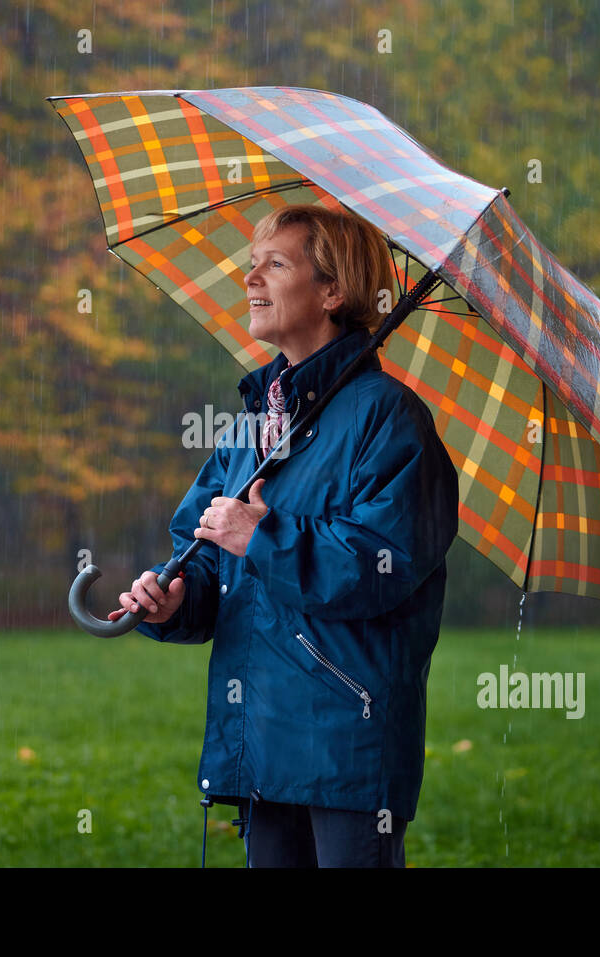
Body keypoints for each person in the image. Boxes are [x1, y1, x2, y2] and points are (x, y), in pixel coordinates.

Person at [109, 203, 460, 867]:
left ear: (332, 292)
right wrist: (177, 599)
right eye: (250, 265)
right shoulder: (253, 424)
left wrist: (263, 536)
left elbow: (383, 565)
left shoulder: (389, 420)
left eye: (275, 264)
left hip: (347, 742)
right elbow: (211, 557)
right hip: (261, 736)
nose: (251, 280)